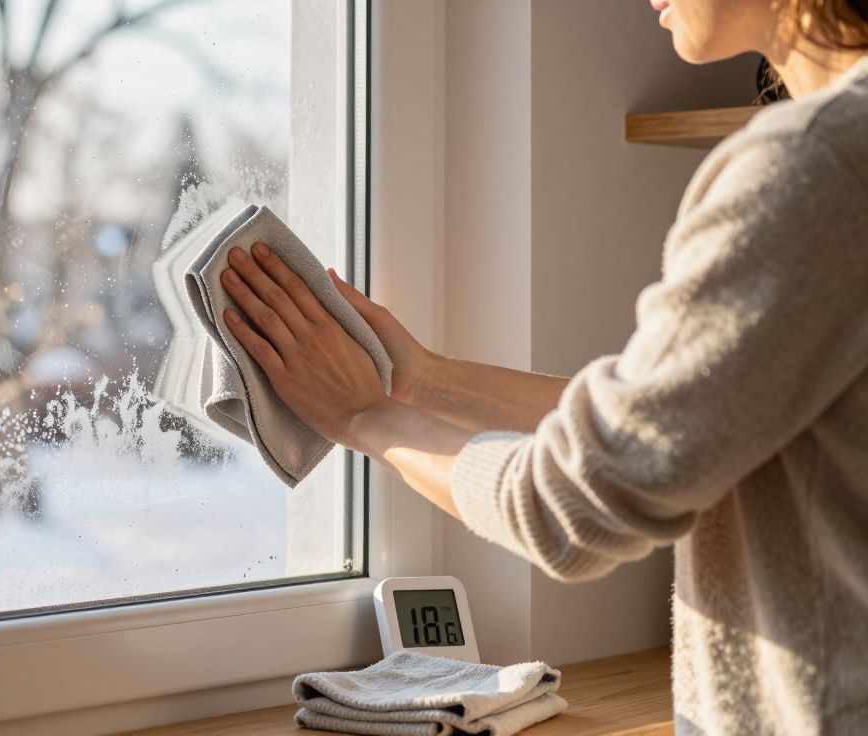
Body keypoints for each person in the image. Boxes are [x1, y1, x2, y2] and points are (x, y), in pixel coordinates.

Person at [217, 0, 868, 733]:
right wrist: (421, 377)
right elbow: (663, 418)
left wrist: (367, 417)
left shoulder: (812, 163)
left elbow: (578, 501)